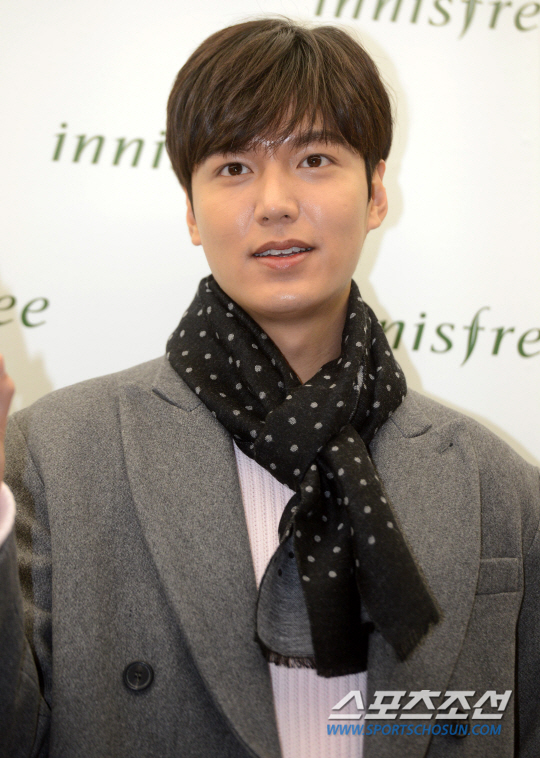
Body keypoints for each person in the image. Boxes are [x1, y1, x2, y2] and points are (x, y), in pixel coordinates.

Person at [0, 16, 539, 758]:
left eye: (315, 159)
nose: (275, 201)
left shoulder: (498, 486)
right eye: (233, 167)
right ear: (190, 211)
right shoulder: (54, 455)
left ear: (376, 193)